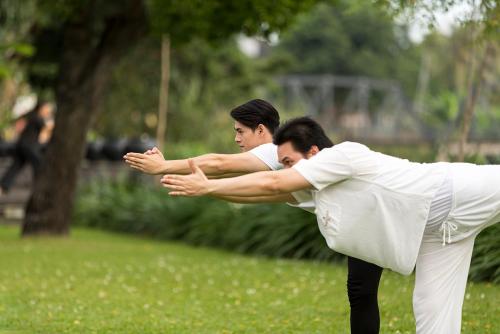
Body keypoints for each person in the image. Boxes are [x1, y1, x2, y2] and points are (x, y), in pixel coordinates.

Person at [161, 116, 499, 334]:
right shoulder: (317, 188)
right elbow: (266, 194)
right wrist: (209, 192)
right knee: (432, 316)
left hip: (459, 192)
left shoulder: (341, 156)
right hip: (439, 234)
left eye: (289, 162)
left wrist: (207, 186)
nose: (285, 170)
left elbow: (273, 185)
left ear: (312, 151)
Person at [124, 101, 383, 333]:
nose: (236, 139)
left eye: (240, 131)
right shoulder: (285, 164)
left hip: (373, 212)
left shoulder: (275, 151)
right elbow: (257, 195)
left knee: (362, 292)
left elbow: (219, 164)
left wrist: (164, 166)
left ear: (260, 130)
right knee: (361, 292)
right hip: (365, 218)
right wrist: (204, 188)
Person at [0, 101, 54, 194]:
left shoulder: (33, 117)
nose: (48, 110)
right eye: (47, 108)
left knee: (16, 166)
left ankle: (3, 187)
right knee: (39, 165)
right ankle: (40, 188)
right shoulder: (37, 118)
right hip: (28, 146)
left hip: (22, 145)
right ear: (41, 108)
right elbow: (48, 129)